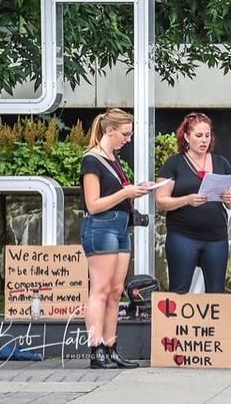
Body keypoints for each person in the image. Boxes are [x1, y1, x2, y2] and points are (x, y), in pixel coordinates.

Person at [80, 108, 153, 369]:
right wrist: (126, 193)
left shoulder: (111, 158)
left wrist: (134, 191)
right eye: (125, 133)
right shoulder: (92, 159)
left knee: (114, 291)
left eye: (130, 134)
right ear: (109, 131)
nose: (128, 139)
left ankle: (111, 346)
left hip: (120, 225)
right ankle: (95, 348)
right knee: (99, 290)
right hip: (101, 226)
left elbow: (116, 193)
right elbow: (93, 204)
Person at [156, 112, 231, 293]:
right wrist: (187, 200)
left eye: (207, 135)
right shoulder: (174, 163)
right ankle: (177, 322)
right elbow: (161, 201)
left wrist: (230, 199)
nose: (204, 141)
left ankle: (214, 322)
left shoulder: (221, 162)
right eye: (198, 136)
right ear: (186, 137)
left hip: (216, 236)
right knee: (180, 289)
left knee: (217, 291)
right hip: (183, 235)